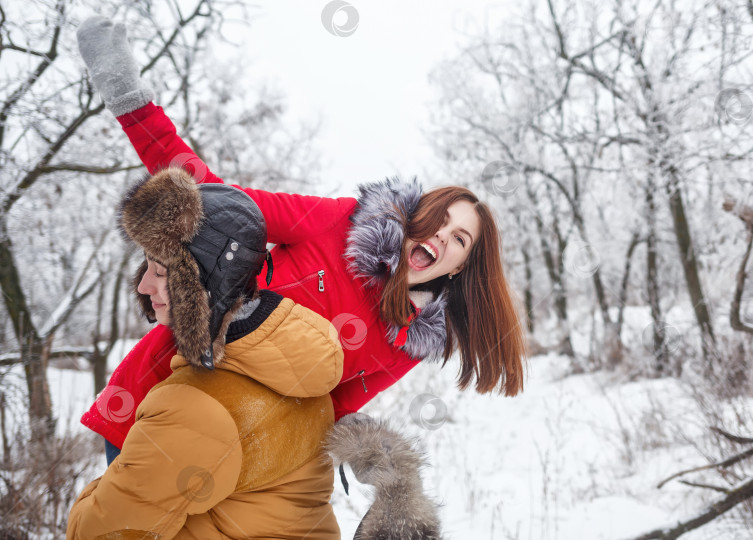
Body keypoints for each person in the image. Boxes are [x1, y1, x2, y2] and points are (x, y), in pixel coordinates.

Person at [76, 16, 526, 462]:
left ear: (462, 265)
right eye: (439, 219)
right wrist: (130, 101)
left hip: (233, 461)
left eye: (461, 238)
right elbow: (212, 199)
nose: (442, 236)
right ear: (416, 217)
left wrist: (365, 454)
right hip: (152, 403)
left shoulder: (407, 342)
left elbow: (328, 411)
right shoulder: (341, 225)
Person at [68, 168, 344, 538]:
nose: (145, 284)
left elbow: (94, 532)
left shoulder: (189, 409)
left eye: (161, 273)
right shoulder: (302, 372)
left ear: (203, 282)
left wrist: (102, 488)